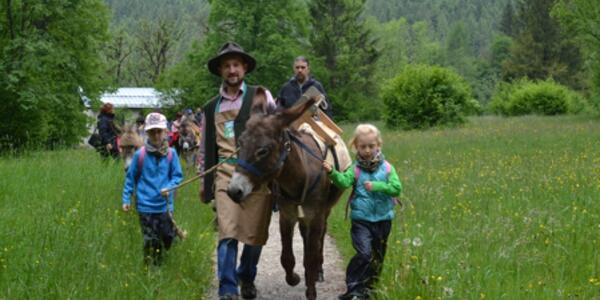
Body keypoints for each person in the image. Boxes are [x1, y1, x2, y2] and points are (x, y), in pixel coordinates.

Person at [198, 42, 276, 300]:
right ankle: (228, 289)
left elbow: (276, 132)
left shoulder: (261, 96)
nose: (232, 70)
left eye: (236, 64)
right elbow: (204, 147)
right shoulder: (211, 107)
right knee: (228, 233)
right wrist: (203, 182)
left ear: (244, 67)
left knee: (254, 236)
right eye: (227, 65)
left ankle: (247, 275)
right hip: (224, 175)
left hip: (255, 176)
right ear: (220, 70)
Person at [323, 124, 402, 300]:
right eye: (362, 146)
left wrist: (377, 186)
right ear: (356, 147)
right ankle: (353, 288)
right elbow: (343, 182)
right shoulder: (355, 169)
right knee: (364, 254)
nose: (367, 150)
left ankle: (369, 290)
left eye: (371, 146)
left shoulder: (388, 168)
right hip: (362, 220)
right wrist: (332, 173)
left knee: (377, 257)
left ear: (378, 145)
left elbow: (397, 188)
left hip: (383, 220)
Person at [121, 112, 184, 266]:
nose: (156, 135)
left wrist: (169, 187)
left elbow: (177, 176)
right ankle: (152, 270)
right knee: (151, 240)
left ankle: (164, 252)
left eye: (159, 131)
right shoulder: (140, 155)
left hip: (164, 206)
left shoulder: (171, 154)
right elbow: (130, 178)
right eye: (152, 131)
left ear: (165, 132)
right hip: (145, 206)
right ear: (147, 133)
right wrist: (126, 198)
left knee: (168, 237)